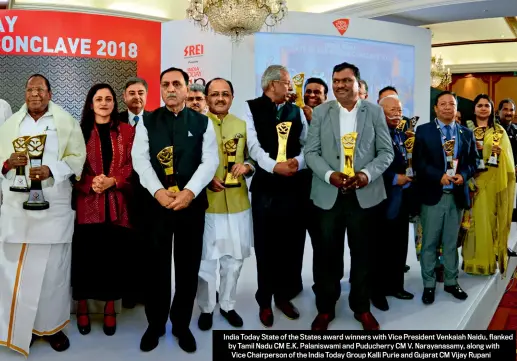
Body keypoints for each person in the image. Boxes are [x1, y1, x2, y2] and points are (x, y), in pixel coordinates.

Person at [132, 67, 218, 353]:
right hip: (156, 206)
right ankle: (155, 325)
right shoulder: (146, 120)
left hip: (190, 206)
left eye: (176, 84)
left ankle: (181, 325)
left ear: (185, 88)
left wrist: (189, 192)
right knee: (155, 266)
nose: (171, 89)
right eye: (165, 84)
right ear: (160, 88)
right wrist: (157, 192)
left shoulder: (203, 122)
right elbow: (140, 160)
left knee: (188, 266)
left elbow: (209, 162)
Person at [0, 74, 86, 355]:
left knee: (53, 274)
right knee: (17, 275)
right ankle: (18, 329)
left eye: (40, 89)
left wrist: (53, 170)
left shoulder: (66, 122)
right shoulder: (10, 125)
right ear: (24, 94)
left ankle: (51, 329)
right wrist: (6, 163)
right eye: (29, 89)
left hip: (53, 208)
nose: (34, 94)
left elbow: (76, 159)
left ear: (50, 93)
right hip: (17, 212)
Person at [304, 62, 393, 331]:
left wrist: (365, 174)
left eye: (346, 80)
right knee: (326, 255)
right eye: (336, 80)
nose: (340, 85)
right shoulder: (320, 112)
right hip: (328, 194)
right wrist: (330, 175)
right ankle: (325, 309)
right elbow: (311, 152)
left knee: (364, 254)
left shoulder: (375, 112)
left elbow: (386, 153)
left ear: (357, 83)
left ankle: (361, 307)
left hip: (364, 196)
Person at [244, 65, 308, 327]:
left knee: (290, 245)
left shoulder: (297, 111)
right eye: (286, 82)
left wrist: (298, 162)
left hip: (293, 187)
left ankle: (284, 296)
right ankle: (264, 301)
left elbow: (307, 143)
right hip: (265, 189)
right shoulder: (251, 107)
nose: (290, 86)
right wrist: (273, 166)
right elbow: (252, 145)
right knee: (266, 246)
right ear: (271, 85)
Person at [72, 83, 135, 336]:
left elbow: (133, 164)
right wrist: (90, 183)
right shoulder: (79, 131)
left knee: (113, 259)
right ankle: (83, 308)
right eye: (99, 99)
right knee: (85, 259)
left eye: (108, 99)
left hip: (117, 205)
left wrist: (113, 181)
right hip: (87, 204)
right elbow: (69, 165)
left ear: (114, 103)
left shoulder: (127, 131)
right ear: (91, 103)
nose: (104, 103)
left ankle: (110, 308)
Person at [196, 78, 254, 331]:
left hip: (238, 203)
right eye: (215, 94)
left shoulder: (243, 125)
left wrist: (248, 166)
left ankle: (228, 305)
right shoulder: (197, 125)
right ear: (207, 98)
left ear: (232, 97)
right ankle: (207, 307)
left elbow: (254, 156)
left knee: (234, 259)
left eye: (225, 94)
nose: (220, 98)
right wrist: (206, 179)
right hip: (208, 204)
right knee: (207, 260)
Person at [413, 91, 476, 305]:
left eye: (452, 104)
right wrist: (436, 176)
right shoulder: (423, 131)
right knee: (429, 243)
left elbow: (473, 163)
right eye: (443, 104)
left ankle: (451, 281)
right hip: (433, 196)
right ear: (436, 108)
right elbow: (418, 164)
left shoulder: (466, 133)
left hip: (456, 197)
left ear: (457, 108)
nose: (448, 107)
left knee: (450, 244)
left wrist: (464, 175)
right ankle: (428, 285)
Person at [462, 94, 515, 276]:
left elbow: (508, 162)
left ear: (492, 109)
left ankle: (487, 261)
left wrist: (499, 153)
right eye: (480, 105)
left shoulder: (499, 131)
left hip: (492, 182)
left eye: (487, 105)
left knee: (489, 220)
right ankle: (472, 262)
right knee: (472, 223)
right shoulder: (465, 129)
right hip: (470, 181)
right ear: (474, 108)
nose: (483, 108)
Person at [372, 95, 414, 312]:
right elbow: (369, 163)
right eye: (393, 110)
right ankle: (377, 292)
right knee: (380, 247)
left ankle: (396, 285)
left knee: (399, 244)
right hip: (380, 198)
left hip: (401, 198)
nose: (398, 114)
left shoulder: (402, 133)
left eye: (399, 110)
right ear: (381, 111)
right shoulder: (373, 133)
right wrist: (393, 178)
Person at [119, 77, 152, 309]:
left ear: (146, 95)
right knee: (125, 243)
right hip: (121, 190)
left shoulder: (155, 120)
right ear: (124, 97)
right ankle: (128, 292)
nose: (136, 97)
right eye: (131, 93)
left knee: (147, 243)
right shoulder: (115, 121)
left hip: (149, 192)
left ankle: (145, 291)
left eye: (140, 92)